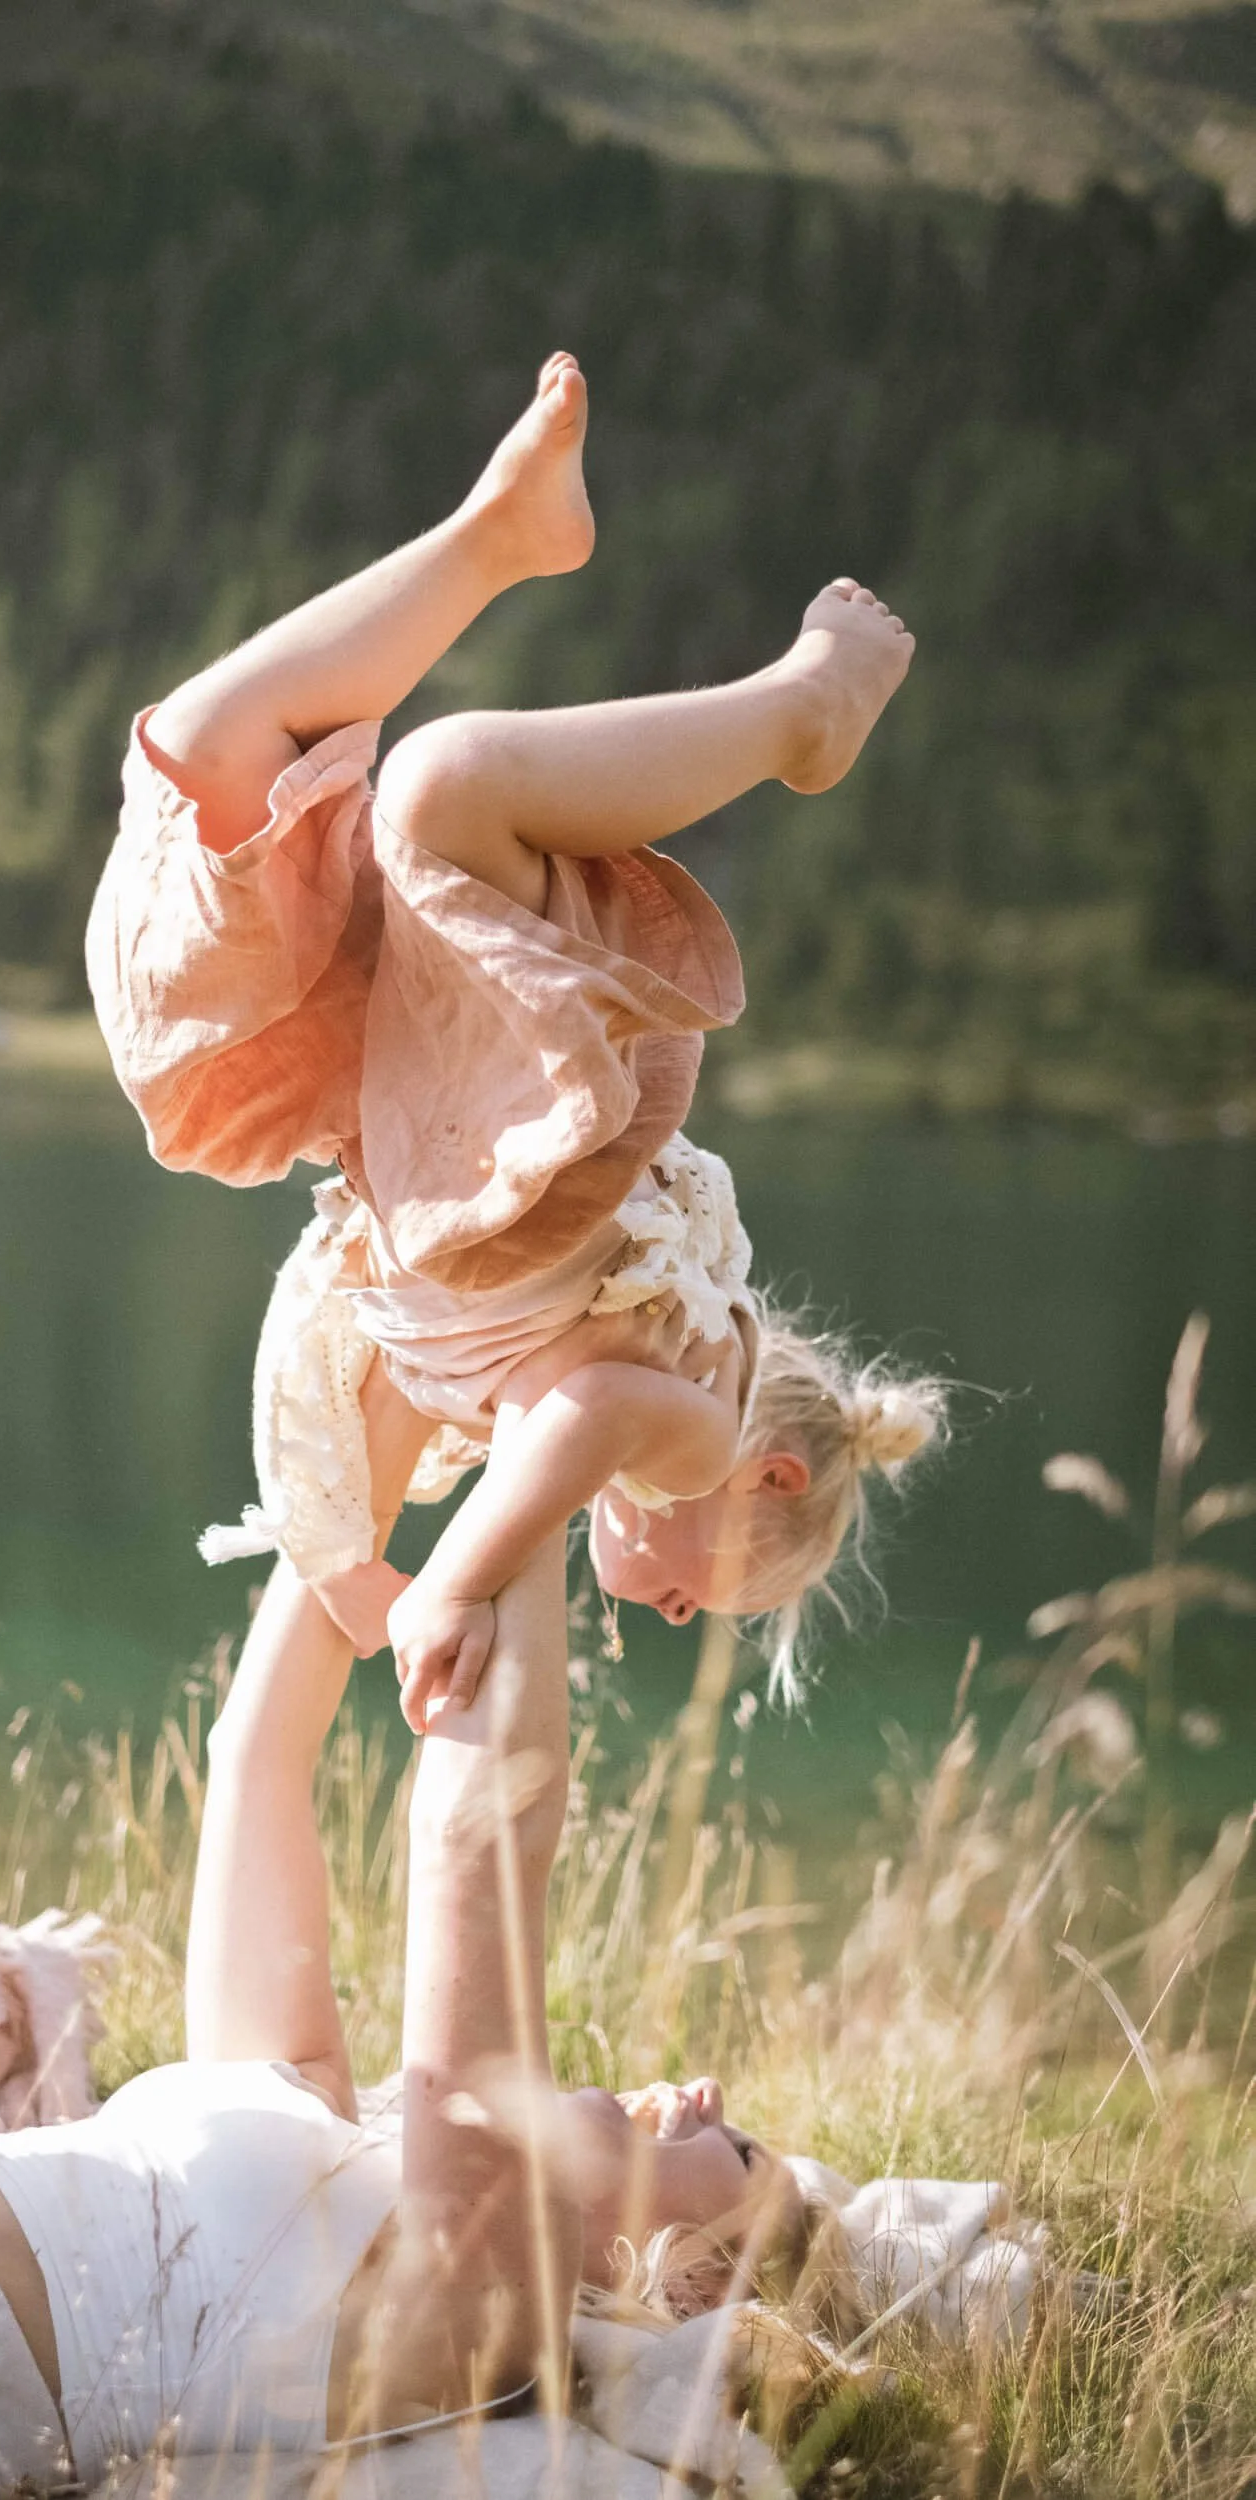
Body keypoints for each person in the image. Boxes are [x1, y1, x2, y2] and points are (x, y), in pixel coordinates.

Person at [86, 351, 943, 1729]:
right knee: (439, 787)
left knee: (203, 760)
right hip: (505, 1137)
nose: (656, 1616)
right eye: (693, 1607)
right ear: (767, 1483)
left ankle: (498, 541)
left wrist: (375, 1594)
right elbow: (586, 1425)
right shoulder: (689, 1430)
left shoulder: (472, 1402)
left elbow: (346, 1529)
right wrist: (449, 1582)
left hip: (386, 1126)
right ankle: (798, 715)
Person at [0, 1543, 800, 2493]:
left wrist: (542, 1489)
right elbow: (255, 1748)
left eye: (733, 2149)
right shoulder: (307, 2099)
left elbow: (477, 1830)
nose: (694, 2094)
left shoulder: (469, 2323)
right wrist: (395, 1393)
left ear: (687, 2292)